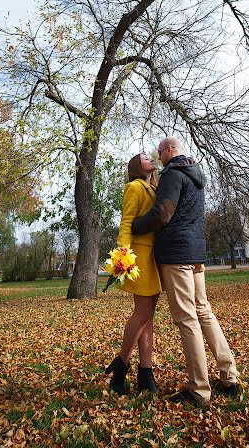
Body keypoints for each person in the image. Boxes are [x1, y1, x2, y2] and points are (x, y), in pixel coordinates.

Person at [132, 137, 239, 406]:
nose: (158, 159)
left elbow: (162, 214)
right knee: (203, 311)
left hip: (177, 254)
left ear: (169, 151)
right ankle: (229, 376)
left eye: (159, 153)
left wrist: (135, 225)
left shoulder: (172, 174)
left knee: (187, 318)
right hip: (196, 253)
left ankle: (199, 390)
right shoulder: (195, 175)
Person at [105, 153, 162, 395]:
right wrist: (123, 255)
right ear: (137, 166)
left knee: (148, 316)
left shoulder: (153, 187)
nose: (151, 158)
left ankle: (145, 373)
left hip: (155, 258)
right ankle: (122, 365)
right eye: (145, 157)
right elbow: (127, 221)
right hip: (139, 257)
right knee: (141, 313)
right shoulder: (134, 187)